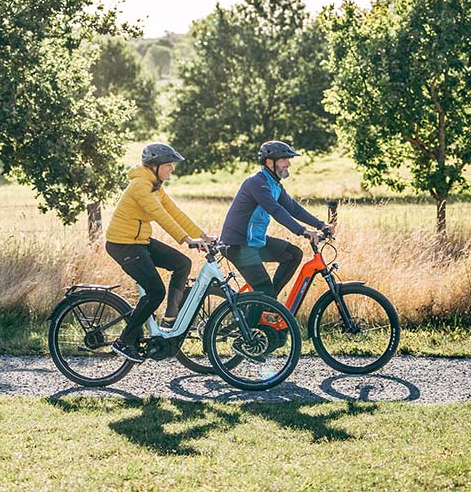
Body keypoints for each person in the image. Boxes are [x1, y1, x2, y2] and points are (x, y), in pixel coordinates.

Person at [104, 143, 210, 362]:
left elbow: (174, 212)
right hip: (123, 244)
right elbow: (159, 214)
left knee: (182, 264)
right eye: (169, 164)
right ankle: (124, 340)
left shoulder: (155, 184)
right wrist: (187, 239)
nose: (172, 168)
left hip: (139, 241)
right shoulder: (140, 185)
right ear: (154, 165)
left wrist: (203, 235)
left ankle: (170, 321)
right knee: (155, 291)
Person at [218, 140, 330, 302]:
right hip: (238, 244)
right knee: (263, 291)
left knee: (293, 254)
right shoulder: (256, 182)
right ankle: (258, 313)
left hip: (254, 241)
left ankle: (269, 303)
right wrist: (303, 231)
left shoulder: (274, 185)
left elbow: (293, 208)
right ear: (270, 162)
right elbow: (275, 210)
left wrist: (321, 225)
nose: (288, 163)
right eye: (284, 159)